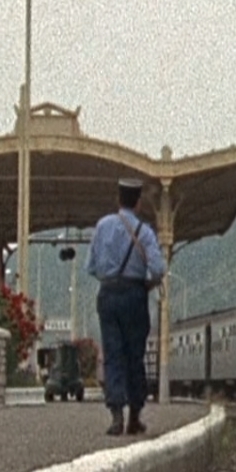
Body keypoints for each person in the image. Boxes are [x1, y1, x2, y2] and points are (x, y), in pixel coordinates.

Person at [88, 178, 165, 436]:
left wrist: (110, 276)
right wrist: (146, 284)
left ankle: (116, 416)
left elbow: (91, 267)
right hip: (135, 295)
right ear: (139, 202)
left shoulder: (102, 226)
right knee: (134, 355)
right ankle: (134, 416)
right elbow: (157, 269)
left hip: (108, 294)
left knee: (113, 354)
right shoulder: (145, 231)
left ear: (118, 200)